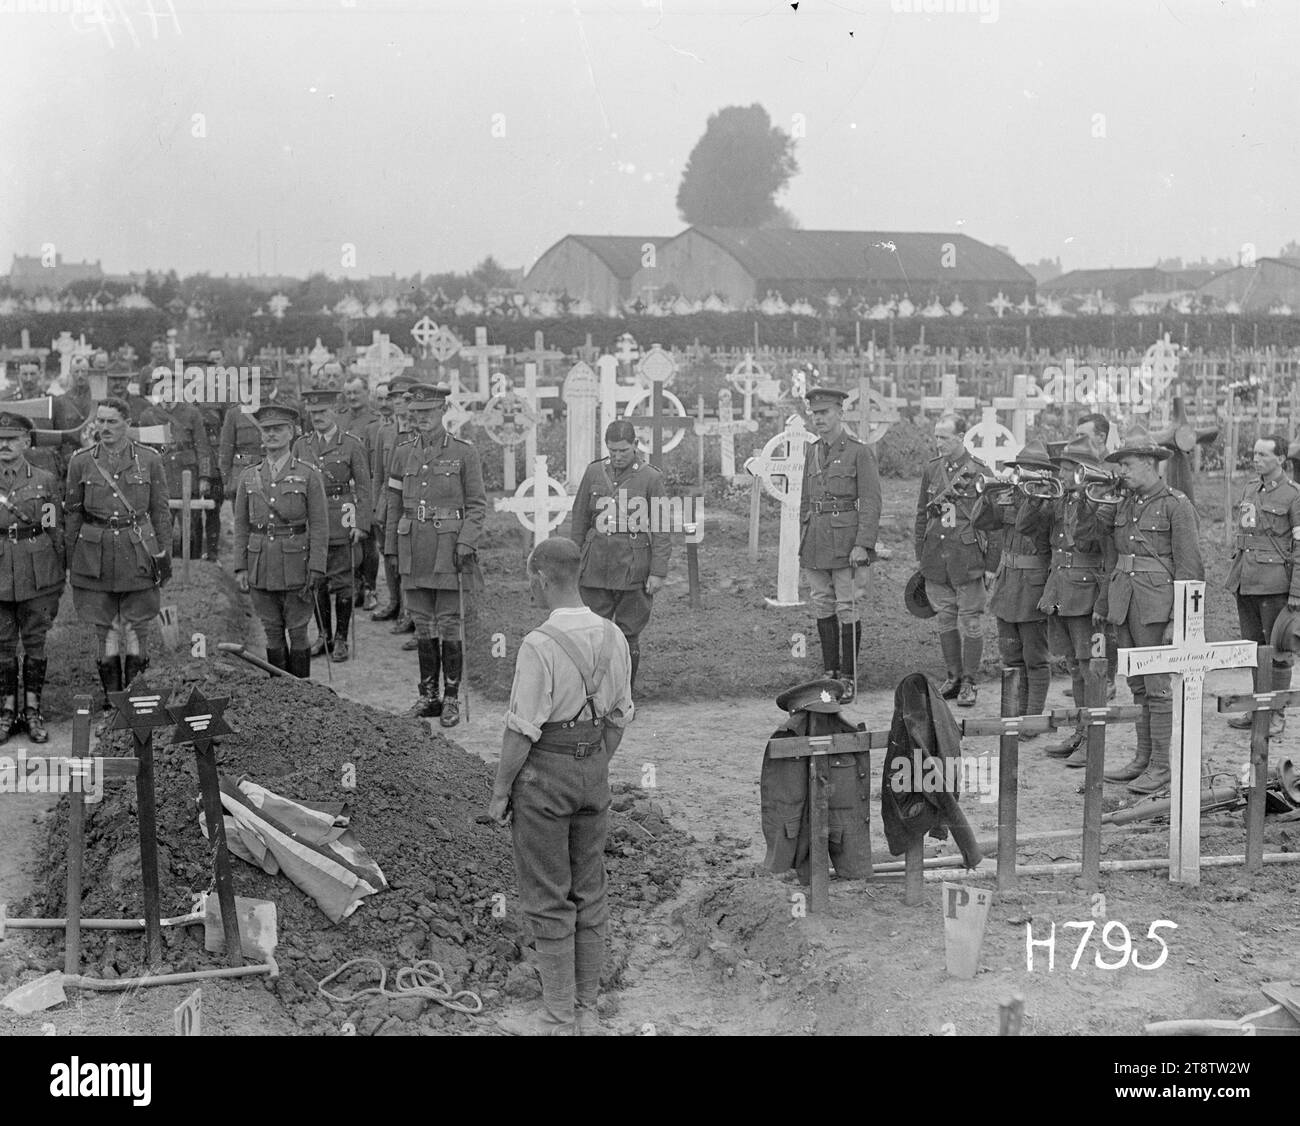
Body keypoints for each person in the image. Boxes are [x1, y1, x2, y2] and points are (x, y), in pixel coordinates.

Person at [488, 537, 633, 1037]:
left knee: (549, 897)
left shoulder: (539, 644)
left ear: (541, 579)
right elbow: (619, 718)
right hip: (594, 772)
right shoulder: (614, 636)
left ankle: (557, 1017)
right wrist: (591, 764)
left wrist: (501, 792)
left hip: (543, 778)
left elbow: (520, 729)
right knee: (589, 892)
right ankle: (587, 1010)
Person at [1090, 424, 1204, 793]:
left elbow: (1190, 568)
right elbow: (1102, 546)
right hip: (1126, 601)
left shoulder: (1176, 505)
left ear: (1151, 465)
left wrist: (1178, 620)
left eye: (1128, 465)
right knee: (1137, 683)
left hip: (1156, 606)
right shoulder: (1123, 503)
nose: (1122, 472)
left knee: (1157, 687)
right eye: (1121, 466)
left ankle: (1160, 766)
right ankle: (1142, 758)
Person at [384, 382, 485, 726]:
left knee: (449, 622)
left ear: (443, 411)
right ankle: (428, 696)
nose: (420, 420)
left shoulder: (464, 453)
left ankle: (451, 697)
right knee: (424, 623)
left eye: (426, 413)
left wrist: (466, 543)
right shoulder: (402, 453)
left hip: (449, 550)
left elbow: (476, 506)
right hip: (413, 547)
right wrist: (391, 549)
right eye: (415, 414)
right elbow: (394, 504)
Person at [64, 397, 172, 709]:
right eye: (100, 421)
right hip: (94, 553)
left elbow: (161, 512)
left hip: (138, 550)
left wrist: (164, 557)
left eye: (112, 422)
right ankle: (113, 703)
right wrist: (72, 561)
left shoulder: (149, 460)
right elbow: (73, 513)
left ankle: (135, 703)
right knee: (106, 629)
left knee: (137, 628)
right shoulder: (81, 462)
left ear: (127, 423)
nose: (105, 428)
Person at [568, 420, 671, 693]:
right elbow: (579, 520)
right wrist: (573, 564)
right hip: (595, 566)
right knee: (593, 633)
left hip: (632, 568)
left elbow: (661, 528)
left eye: (623, 450)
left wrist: (658, 572)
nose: (617, 456)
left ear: (636, 446)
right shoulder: (593, 472)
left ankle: (624, 694)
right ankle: (592, 694)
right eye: (612, 450)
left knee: (628, 634)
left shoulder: (651, 477)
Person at [232, 404, 328, 677]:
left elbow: (320, 525)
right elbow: (241, 525)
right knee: (271, 631)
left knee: (298, 630)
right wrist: (240, 566)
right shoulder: (249, 476)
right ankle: (278, 695)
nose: (271, 435)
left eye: (278, 429)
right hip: (260, 562)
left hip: (297, 562)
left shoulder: (308, 475)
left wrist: (317, 567)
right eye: (266, 430)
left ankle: (301, 693)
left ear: (292, 433)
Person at [798, 387, 882, 698]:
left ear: (839, 413)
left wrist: (863, 544)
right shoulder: (813, 451)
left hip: (846, 542)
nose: (819, 419)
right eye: (815, 414)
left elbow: (871, 502)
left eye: (825, 413)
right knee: (822, 604)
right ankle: (829, 671)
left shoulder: (859, 452)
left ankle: (848, 677)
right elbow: (806, 501)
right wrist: (803, 541)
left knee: (847, 607)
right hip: (816, 541)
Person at [1039, 436, 1115, 764]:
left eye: (1070, 469)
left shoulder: (1101, 500)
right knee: (1074, 666)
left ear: (1087, 470)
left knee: (1090, 668)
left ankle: (1093, 741)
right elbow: (1033, 528)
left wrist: (1104, 602)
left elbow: (1102, 549)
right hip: (1062, 590)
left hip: (1087, 594)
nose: (1064, 474)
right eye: (1065, 468)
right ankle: (1081, 731)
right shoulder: (1065, 499)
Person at [914, 414, 997, 707]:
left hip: (967, 558)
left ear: (961, 436)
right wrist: (920, 556)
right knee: (945, 620)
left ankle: (970, 682)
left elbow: (993, 521)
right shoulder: (932, 470)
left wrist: (991, 565)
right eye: (936, 437)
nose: (938, 443)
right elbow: (922, 515)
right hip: (936, 558)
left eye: (944, 437)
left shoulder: (980, 472)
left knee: (971, 622)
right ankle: (953, 677)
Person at [972, 440, 1055, 736]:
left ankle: (1032, 719)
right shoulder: (1009, 495)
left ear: (1045, 474)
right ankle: (1014, 715)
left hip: (1034, 586)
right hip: (1008, 585)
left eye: (1033, 470)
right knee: (1011, 657)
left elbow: (1026, 526)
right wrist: (988, 494)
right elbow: (980, 521)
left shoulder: (1048, 501)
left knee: (1035, 658)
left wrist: (1031, 495)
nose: (1025, 474)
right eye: (1022, 469)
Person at [1223, 434, 1300, 737]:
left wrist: (1296, 592)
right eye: (1254, 454)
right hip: (1246, 581)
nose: (1256, 459)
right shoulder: (1250, 488)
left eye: (1263, 455)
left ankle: (1276, 713)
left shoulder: (1294, 496)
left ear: (1280, 459)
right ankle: (1259, 709)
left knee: (1278, 650)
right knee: (1254, 650)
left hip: (1275, 585)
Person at [0, 412, 65, 743]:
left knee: (36, 643)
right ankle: (6, 713)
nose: (4, 445)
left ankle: (33, 711)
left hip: (39, 572)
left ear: (26, 442)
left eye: (11, 439)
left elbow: (54, 527)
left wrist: (58, 577)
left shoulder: (45, 480)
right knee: (3, 645)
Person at [293, 389, 372, 663]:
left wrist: (362, 523)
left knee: (343, 583)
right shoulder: (301, 445)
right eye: (313, 414)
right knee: (318, 581)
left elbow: (364, 486)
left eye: (323, 413)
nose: (318, 418)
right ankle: (323, 635)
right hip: (312, 521)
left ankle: (340, 638)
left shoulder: (351, 444)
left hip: (342, 519)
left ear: (335, 412)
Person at [1071, 411, 1119, 697]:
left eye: (1084, 436)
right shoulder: (1085, 465)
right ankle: (1090, 675)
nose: (1079, 441)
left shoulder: (1112, 466)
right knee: (1089, 620)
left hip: (1108, 549)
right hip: (1090, 545)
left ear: (1101, 437)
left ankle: (1108, 678)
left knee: (1105, 621)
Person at [150, 364, 213, 560]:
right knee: (161, 523)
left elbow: (202, 447)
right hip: (161, 476)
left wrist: (204, 477)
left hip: (188, 476)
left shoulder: (192, 413)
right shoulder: (149, 415)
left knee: (192, 525)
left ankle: (193, 563)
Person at [370, 374, 416, 626]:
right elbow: (379, 472)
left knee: (407, 555)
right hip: (388, 502)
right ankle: (394, 602)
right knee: (389, 555)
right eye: (394, 397)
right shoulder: (385, 431)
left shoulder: (418, 430)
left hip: (409, 502)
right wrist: (377, 505)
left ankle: (409, 612)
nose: (398, 401)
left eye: (403, 396)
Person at [341, 375, 381, 612]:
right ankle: (354, 585)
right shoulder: (340, 420)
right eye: (349, 393)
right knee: (348, 539)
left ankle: (370, 588)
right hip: (347, 489)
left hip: (367, 486)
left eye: (357, 392)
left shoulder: (375, 422)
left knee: (368, 541)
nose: (353, 397)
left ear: (367, 393)